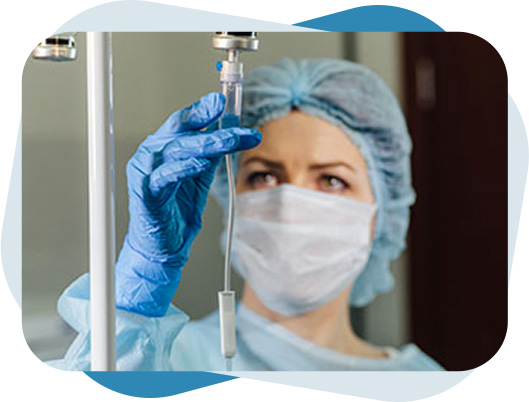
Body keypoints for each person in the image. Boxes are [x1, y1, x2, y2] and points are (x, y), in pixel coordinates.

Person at [48, 58, 443, 371]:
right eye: (264, 175)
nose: (290, 205)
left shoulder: (425, 382)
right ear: (228, 192)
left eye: (331, 181)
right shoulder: (158, 359)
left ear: (382, 214)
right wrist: (134, 308)